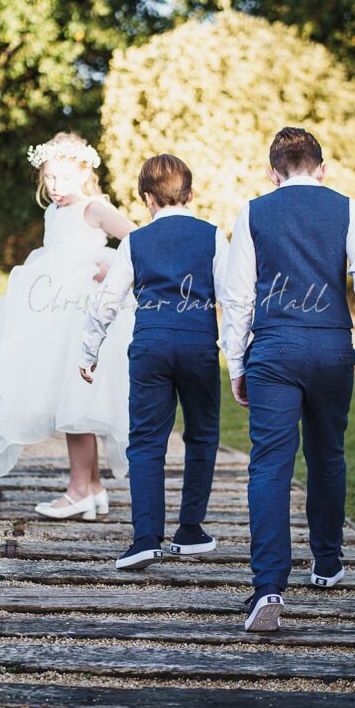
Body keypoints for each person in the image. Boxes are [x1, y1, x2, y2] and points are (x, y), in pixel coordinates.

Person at [221, 127, 355, 632]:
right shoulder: (348, 208)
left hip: (274, 350)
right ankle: (328, 562)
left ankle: (268, 586)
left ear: (272, 174)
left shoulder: (253, 210)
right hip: (333, 347)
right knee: (327, 454)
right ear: (323, 167)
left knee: (270, 464)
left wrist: (236, 362)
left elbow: (236, 296)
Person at [0, 132, 136, 521]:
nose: (55, 187)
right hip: (49, 312)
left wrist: (110, 268)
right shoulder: (53, 212)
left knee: (77, 395)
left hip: (82, 312)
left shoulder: (94, 208)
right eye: (49, 179)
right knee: (66, 394)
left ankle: (78, 491)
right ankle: (91, 488)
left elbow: (138, 241)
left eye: (63, 178)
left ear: (83, 170)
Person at [79, 154, 229, 569]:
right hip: (199, 346)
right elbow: (235, 301)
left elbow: (106, 302)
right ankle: (190, 530)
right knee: (202, 434)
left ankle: (146, 537)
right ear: (191, 194)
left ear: (147, 199)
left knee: (146, 440)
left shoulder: (135, 242)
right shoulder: (214, 237)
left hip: (151, 347)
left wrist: (87, 352)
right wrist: (238, 359)